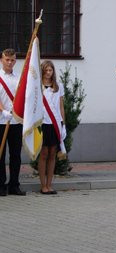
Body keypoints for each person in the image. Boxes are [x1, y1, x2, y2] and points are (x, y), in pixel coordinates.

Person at [38, 60, 66, 194]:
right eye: (46, 70)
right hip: (43, 123)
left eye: (50, 70)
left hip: (55, 123)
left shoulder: (58, 86)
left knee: (53, 153)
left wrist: (63, 124)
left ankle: (49, 184)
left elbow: (61, 106)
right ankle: (43, 185)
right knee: (44, 153)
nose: (48, 73)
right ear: (42, 71)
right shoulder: (37, 86)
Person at [0, 48, 25, 196]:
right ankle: (1, 185)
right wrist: (3, 110)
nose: (10, 62)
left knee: (15, 155)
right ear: (2, 60)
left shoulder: (19, 78)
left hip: (16, 122)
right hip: (1, 121)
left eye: (12, 60)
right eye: (7, 60)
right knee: (1, 155)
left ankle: (14, 185)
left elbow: (22, 98)